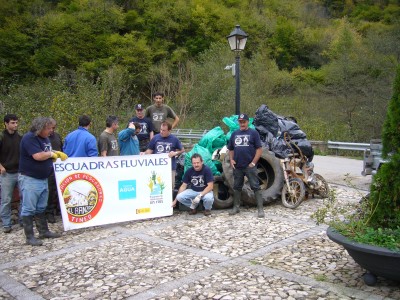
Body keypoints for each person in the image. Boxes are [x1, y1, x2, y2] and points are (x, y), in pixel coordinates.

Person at [19, 117, 67, 246]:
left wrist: (53, 153)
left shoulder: (45, 138)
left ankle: (43, 231)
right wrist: (52, 154)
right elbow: (38, 156)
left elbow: (46, 153)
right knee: (28, 208)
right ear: (40, 128)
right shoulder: (29, 138)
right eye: (49, 128)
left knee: (41, 206)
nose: (51, 131)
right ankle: (29, 237)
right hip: (30, 178)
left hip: (43, 178)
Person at [227, 113, 264, 218]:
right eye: (240, 122)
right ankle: (236, 207)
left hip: (250, 166)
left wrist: (253, 162)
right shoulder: (234, 134)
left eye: (244, 122)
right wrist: (231, 160)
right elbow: (231, 148)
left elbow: (259, 149)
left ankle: (260, 209)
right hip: (238, 166)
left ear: (248, 122)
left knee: (255, 186)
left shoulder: (254, 133)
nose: (242, 124)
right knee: (237, 187)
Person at [144, 121, 185, 189]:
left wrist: (175, 153)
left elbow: (182, 150)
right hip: (157, 166)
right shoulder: (155, 138)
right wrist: (144, 153)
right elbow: (150, 150)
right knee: (156, 186)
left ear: (169, 130)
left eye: (164, 130)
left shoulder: (174, 139)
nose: (161, 132)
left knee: (170, 187)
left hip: (170, 167)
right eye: (160, 129)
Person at [0, 114, 22, 233]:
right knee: (6, 199)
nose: (15, 125)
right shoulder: (2, 137)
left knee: (24, 196)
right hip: (6, 173)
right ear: (6, 124)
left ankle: (23, 220)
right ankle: (6, 224)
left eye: (16, 122)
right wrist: (1, 166)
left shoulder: (19, 137)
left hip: (20, 171)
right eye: (13, 123)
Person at [46, 118, 63, 223]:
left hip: (59, 168)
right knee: (50, 192)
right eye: (50, 128)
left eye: (53, 128)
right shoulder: (42, 138)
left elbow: (62, 149)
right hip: (48, 168)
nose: (52, 130)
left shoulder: (57, 136)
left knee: (59, 190)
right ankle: (49, 213)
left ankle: (59, 210)